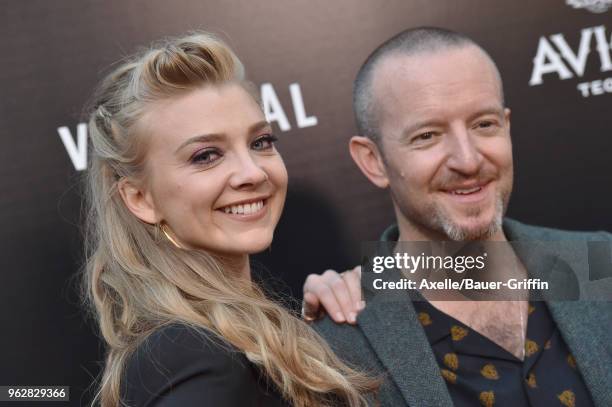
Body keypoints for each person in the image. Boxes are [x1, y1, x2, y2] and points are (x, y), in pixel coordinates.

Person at [302, 27, 612, 406]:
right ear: (373, 161)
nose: (467, 160)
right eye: (428, 135)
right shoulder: (339, 346)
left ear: (507, 127)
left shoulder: (601, 264)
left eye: (484, 124)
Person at [82, 32, 378, 407]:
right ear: (141, 198)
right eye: (206, 155)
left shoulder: (218, 340)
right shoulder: (184, 351)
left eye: (260, 142)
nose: (252, 172)